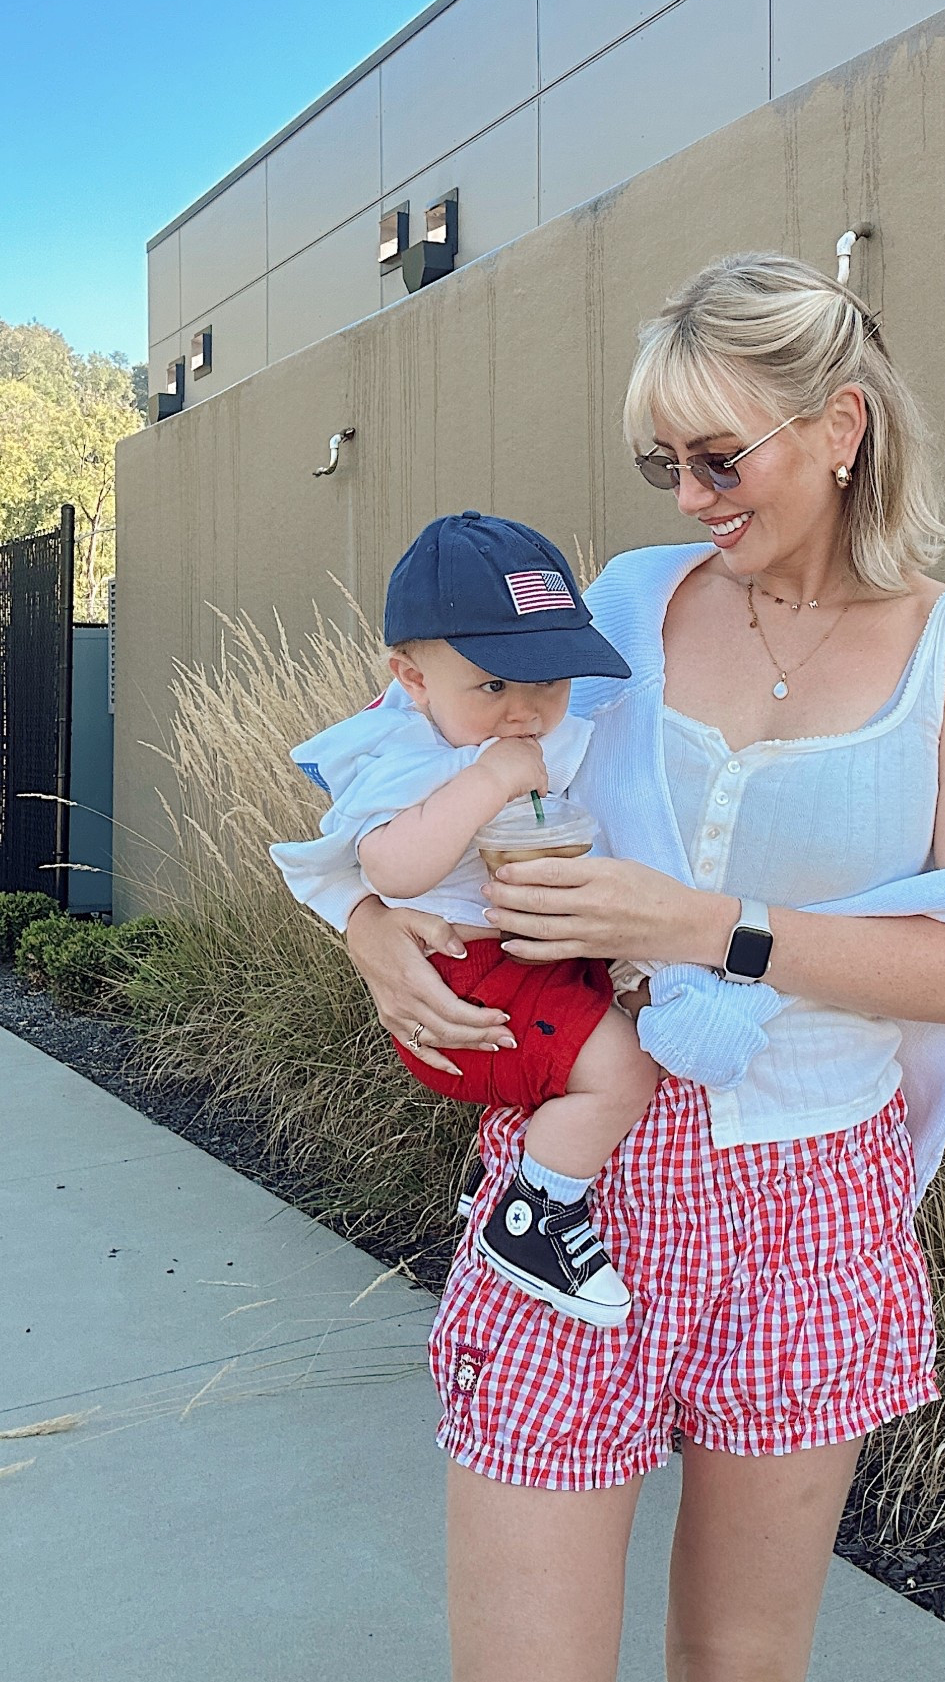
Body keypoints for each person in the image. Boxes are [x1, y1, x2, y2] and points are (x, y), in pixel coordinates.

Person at [328, 254, 945, 1682]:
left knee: (741, 1661)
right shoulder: (618, 603)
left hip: (812, 1197)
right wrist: (370, 934)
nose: (689, 494)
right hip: (578, 1186)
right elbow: (383, 774)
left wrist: (699, 924)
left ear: (843, 426)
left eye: (720, 455)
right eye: (664, 461)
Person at [270, 511, 661, 1326]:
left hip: (532, 962)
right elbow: (390, 866)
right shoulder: (407, 756)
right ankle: (534, 1216)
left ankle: (509, 1178)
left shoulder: (530, 737)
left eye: (548, 684)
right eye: (493, 686)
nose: (524, 712)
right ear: (412, 679)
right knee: (624, 1071)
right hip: (466, 982)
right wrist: (485, 780)